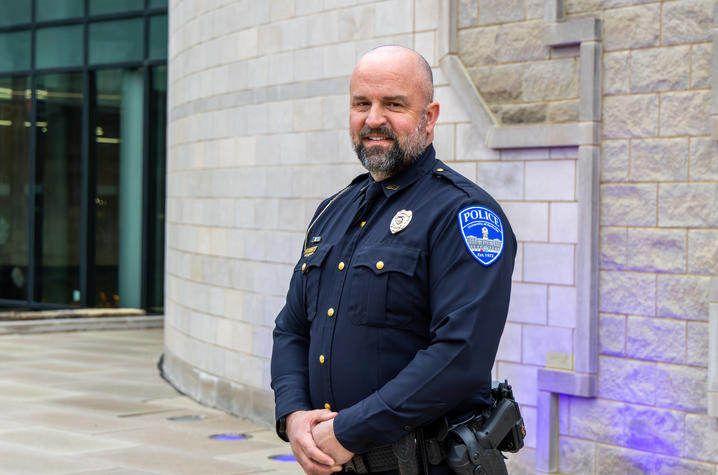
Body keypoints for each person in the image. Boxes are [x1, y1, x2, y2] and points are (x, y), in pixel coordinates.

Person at [271, 45, 516, 475]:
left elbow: (460, 355)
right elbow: (292, 327)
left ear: (430, 117)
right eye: (361, 103)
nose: (373, 119)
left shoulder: (466, 216)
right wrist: (293, 415)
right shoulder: (333, 211)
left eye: (394, 104)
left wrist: (350, 430)